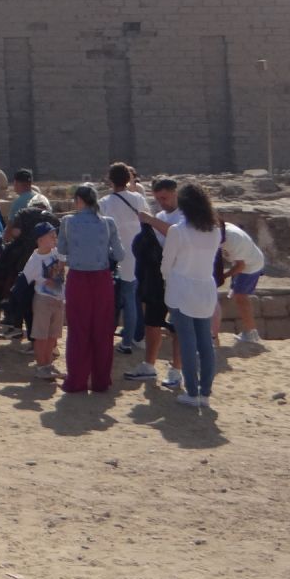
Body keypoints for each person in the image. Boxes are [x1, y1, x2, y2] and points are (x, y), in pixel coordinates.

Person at [161, 183, 223, 408]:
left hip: (181, 290)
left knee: (187, 342)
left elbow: (166, 265)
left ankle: (192, 392)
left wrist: (170, 279)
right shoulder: (215, 230)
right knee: (205, 342)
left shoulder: (178, 231)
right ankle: (205, 393)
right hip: (205, 289)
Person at [58, 185, 124, 394]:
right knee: (103, 330)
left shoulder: (67, 222)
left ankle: (77, 380)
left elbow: (62, 251)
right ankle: (100, 381)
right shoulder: (108, 223)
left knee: (78, 330)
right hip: (102, 279)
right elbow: (120, 254)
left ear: (78, 200)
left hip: (78, 279)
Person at [124, 178, 186, 389]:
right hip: (158, 278)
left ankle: (177, 369)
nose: (162, 202)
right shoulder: (160, 215)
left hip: (180, 278)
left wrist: (151, 221)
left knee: (178, 326)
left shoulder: (185, 215)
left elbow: (177, 234)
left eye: (165, 198)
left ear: (175, 193)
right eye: (158, 198)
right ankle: (149, 365)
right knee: (152, 322)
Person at [99, 163, 148, 357]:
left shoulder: (104, 202)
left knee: (113, 300)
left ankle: (112, 339)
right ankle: (129, 340)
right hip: (137, 255)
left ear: (110, 180)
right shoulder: (138, 199)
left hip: (114, 257)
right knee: (131, 299)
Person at [22, 223, 65, 380]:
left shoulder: (57, 253)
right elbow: (26, 279)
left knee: (53, 335)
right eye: (51, 235)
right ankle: (41, 366)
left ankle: (48, 364)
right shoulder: (34, 259)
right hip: (43, 300)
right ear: (40, 239)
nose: (55, 237)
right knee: (41, 336)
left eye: (55, 234)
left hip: (58, 300)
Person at [218, 220, 265, 343]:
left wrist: (223, 276)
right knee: (237, 296)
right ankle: (251, 331)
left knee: (241, 297)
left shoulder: (233, 238)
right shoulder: (220, 231)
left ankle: (251, 333)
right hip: (241, 263)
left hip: (250, 266)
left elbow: (241, 266)